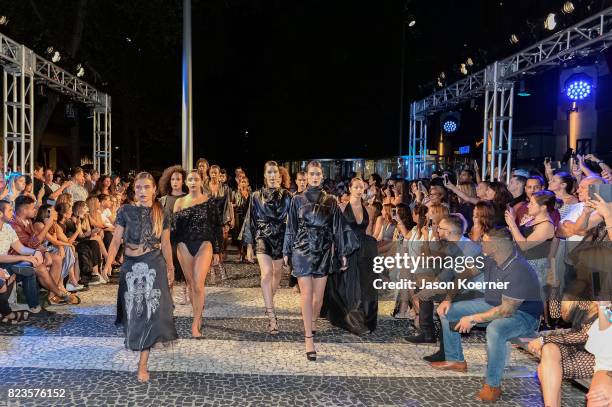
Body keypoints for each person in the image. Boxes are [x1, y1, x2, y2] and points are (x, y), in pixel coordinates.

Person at [433, 227, 543, 402]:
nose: (480, 243)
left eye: (485, 241)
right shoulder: (489, 257)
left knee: (496, 329)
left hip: (523, 316)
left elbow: (506, 310)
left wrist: (473, 318)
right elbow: (464, 274)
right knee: (449, 311)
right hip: (493, 304)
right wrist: (448, 299)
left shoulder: (518, 268)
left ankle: (493, 385)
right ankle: (455, 360)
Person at [103, 172, 178, 383]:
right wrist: (108, 262)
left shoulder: (162, 212)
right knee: (131, 312)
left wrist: (171, 268)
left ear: (154, 189)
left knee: (148, 314)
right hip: (129, 266)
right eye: (138, 187)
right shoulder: (125, 210)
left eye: (146, 187)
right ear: (134, 190)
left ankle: (142, 365)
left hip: (153, 264)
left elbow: (165, 244)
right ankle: (136, 340)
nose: (142, 191)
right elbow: (116, 240)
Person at [283, 161, 356, 361]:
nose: (314, 177)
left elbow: (338, 228)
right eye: (311, 173)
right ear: (306, 176)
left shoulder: (331, 201)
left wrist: (341, 252)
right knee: (306, 295)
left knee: (318, 299)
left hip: (323, 251)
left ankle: (312, 321)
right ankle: (309, 339)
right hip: (303, 249)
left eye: (318, 174)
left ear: (322, 176)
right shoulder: (297, 199)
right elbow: (291, 227)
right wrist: (286, 251)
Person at [241, 161, 292, 334]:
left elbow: (292, 223)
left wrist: (291, 246)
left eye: (275, 172)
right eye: (269, 172)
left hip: (281, 237)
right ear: (265, 175)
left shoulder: (288, 196)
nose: (272, 175)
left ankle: (268, 301)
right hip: (262, 236)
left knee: (277, 274)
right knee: (267, 273)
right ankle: (272, 317)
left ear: (279, 175)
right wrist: (249, 245)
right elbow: (250, 220)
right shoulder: (255, 196)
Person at [172, 170, 223, 338]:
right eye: (190, 179)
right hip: (183, 245)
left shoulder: (210, 202)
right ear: (186, 182)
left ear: (202, 181)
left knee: (199, 284)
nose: (193, 182)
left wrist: (217, 250)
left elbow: (217, 227)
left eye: (196, 179)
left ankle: (196, 323)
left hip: (204, 243)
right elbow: (173, 229)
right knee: (192, 283)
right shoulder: (179, 202)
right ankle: (197, 314)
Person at [325, 177, 377, 335]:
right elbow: (336, 232)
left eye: (362, 187)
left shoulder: (369, 209)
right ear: (350, 188)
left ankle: (363, 317)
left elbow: (368, 232)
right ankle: (354, 321)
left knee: (364, 286)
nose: (360, 190)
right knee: (350, 287)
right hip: (348, 250)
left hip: (364, 250)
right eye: (356, 187)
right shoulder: (341, 207)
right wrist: (338, 253)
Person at [528, 300, 599, 407]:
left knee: (543, 370)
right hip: (578, 345)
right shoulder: (586, 299)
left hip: (600, 356)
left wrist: (544, 340)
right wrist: (555, 286)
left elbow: (585, 336)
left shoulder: (606, 309)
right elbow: (555, 314)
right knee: (549, 350)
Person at [158, 165, 188, 302]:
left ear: (183, 181)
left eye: (178, 179)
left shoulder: (188, 198)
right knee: (167, 266)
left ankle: (185, 291)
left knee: (184, 266)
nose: (175, 182)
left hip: (184, 237)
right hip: (167, 238)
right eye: (173, 179)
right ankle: (168, 293)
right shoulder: (163, 200)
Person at [231, 176, 251, 263]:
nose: (243, 183)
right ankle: (240, 254)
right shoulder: (236, 193)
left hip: (247, 216)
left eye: (244, 182)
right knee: (238, 235)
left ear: (247, 183)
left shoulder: (251, 194)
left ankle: (246, 254)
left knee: (246, 235)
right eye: (241, 182)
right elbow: (231, 204)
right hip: (238, 216)